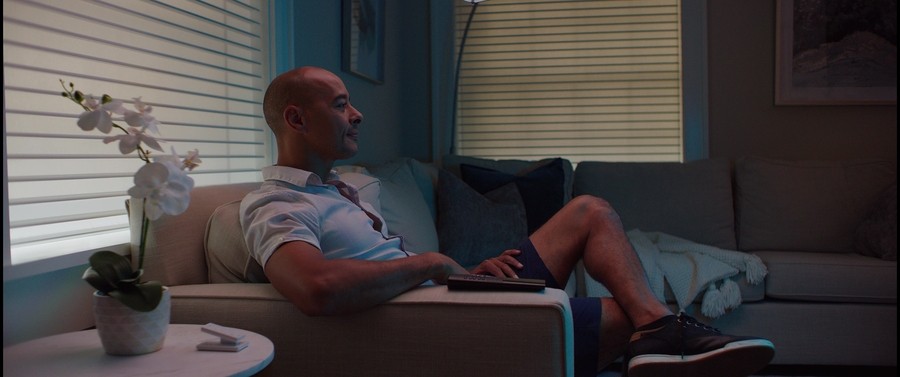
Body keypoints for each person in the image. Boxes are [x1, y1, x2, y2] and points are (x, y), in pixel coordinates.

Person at [240, 66, 775, 377]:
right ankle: (657, 332)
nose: (356, 114)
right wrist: (433, 264)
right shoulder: (277, 205)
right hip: (438, 317)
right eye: (340, 104)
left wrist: (465, 270)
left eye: (350, 103)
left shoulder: (343, 187)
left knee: (589, 212)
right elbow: (315, 288)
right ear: (296, 118)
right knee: (619, 317)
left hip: (454, 291)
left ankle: (659, 330)